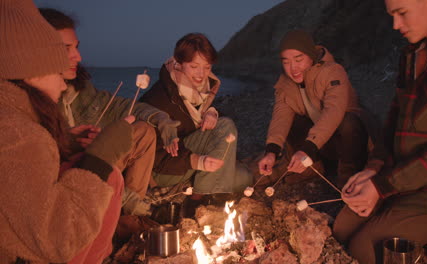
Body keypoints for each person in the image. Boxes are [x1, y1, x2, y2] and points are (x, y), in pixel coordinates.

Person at [333, 0, 427, 263]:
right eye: (392, 15)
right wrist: (374, 168)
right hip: (403, 179)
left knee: (367, 249)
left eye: (401, 13)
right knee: (342, 228)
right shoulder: (413, 54)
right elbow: (393, 124)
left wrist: (382, 186)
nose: (395, 25)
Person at [0, 0, 132, 263]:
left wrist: (63, 141)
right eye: (56, 72)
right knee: (108, 176)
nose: (63, 85)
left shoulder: (15, 118)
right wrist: (100, 158)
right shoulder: (17, 133)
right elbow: (59, 240)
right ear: (31, 72)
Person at [39, 8, 181, 216]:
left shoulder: (80, 89)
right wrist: (69, 143)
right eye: (66, 48)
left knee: (143, 132)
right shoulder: (30, 102)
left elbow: (118, 105)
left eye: (77, 47)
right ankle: (130, 210)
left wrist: (160, 118)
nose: (77, 56)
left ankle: (128, 212)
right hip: (72, 175)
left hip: (96, 160)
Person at [257, 29, 385, 189]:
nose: (293, 68)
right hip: (321, 145)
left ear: (311, 55)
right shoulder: (285, 84)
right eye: (286, 62)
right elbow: (280, 118)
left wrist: (307, 149)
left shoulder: (332, 71)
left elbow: (334, 111)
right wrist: (271, 152)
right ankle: (312, 168)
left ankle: (348, 178)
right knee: (293, 121)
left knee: (349, 122)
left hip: (352, 142)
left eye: (298, 59)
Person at [140, 33, 252, 213]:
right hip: (165, 170)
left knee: (244, 177)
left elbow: (203, 119)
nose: (201, 74)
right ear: (178, 62)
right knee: (226, 126)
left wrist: (213, 112)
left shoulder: (201, 91)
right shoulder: (158, 99)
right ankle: (199, 203)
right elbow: (153, 158)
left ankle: (205, 190)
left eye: (207, 67)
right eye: (194, 66)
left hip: (191, 162)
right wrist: (197, 162)